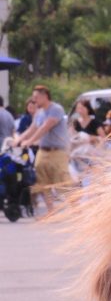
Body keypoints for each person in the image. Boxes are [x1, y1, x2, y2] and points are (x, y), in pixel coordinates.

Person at [12, 84, 72, 212]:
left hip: (57, 151)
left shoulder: (56, 109)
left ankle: (75, 210)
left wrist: (29, 141)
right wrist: (19, 139)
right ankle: (51, 211)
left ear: (45, 96)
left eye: (36, 97)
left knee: (62, 180)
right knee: (41, 181)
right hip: (43, 150)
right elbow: (32, 128)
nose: (34, 100)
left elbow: (45, 127)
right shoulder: (39, 112)